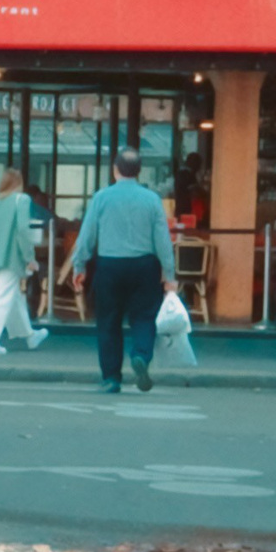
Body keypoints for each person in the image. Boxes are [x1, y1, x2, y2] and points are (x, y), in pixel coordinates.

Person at [69, 149, 179, 393]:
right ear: (139, 171)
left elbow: (87, 235)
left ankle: (111, 378)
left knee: (108, 322)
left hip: (109, 265)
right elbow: (162, 239)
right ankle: (141, 355)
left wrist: (80, 266)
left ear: (115, 169)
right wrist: (169, 274)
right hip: (144, 266)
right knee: (144, 317)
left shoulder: (101, 197)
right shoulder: (152, 199)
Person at [0, 168, 50, 357]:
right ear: (19, 182)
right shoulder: (21, 200)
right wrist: (30, 258)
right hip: (12, 257)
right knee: (2, 297)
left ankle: (30, 335)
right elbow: (23, 231)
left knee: (13, 297)